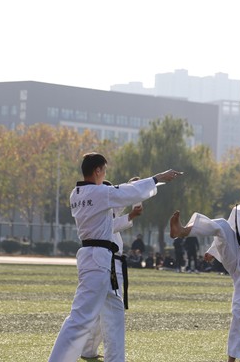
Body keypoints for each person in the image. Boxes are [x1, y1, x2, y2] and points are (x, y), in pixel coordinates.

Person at [48, 152, 182, 362]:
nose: (105, 174)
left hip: (100, 258)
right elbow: (125, 194)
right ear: (97, 171)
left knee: (114, 312)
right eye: (104, 170)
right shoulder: (98, 193)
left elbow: (112, 212)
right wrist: (157, 178)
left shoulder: (77, 193)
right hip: (97, 257)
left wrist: (130, 199)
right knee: (80, 318)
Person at [169, 153, 240, 362]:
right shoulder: (238, 210)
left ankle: (232, 358)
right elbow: (226, 231)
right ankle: (183, 231)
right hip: (235, 255)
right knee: (222, 224)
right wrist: (213, 251)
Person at [81, 179, 143, 361]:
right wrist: (131, 216)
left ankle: (88, 350)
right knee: (112, 314)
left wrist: (132, 186)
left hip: (108, 262)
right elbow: (110, 226)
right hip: (108, 264)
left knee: (100, 310)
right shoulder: (100, 213)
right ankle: (113, 357)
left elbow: (120, 202)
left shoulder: (105, 208)